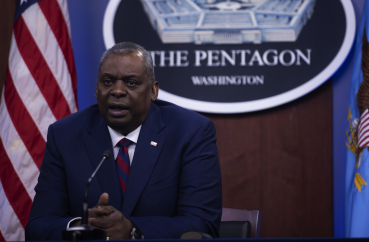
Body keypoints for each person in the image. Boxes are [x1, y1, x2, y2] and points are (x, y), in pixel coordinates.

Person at [25, 42, 222, 240]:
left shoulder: (190, 132)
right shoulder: (65, 135)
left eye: (131, 83)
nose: (117, 91)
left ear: (153, 91)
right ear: (96, 90)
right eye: (108, 82)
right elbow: (38, 227)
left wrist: (131, 229)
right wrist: (82, 225)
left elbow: (202, 224)